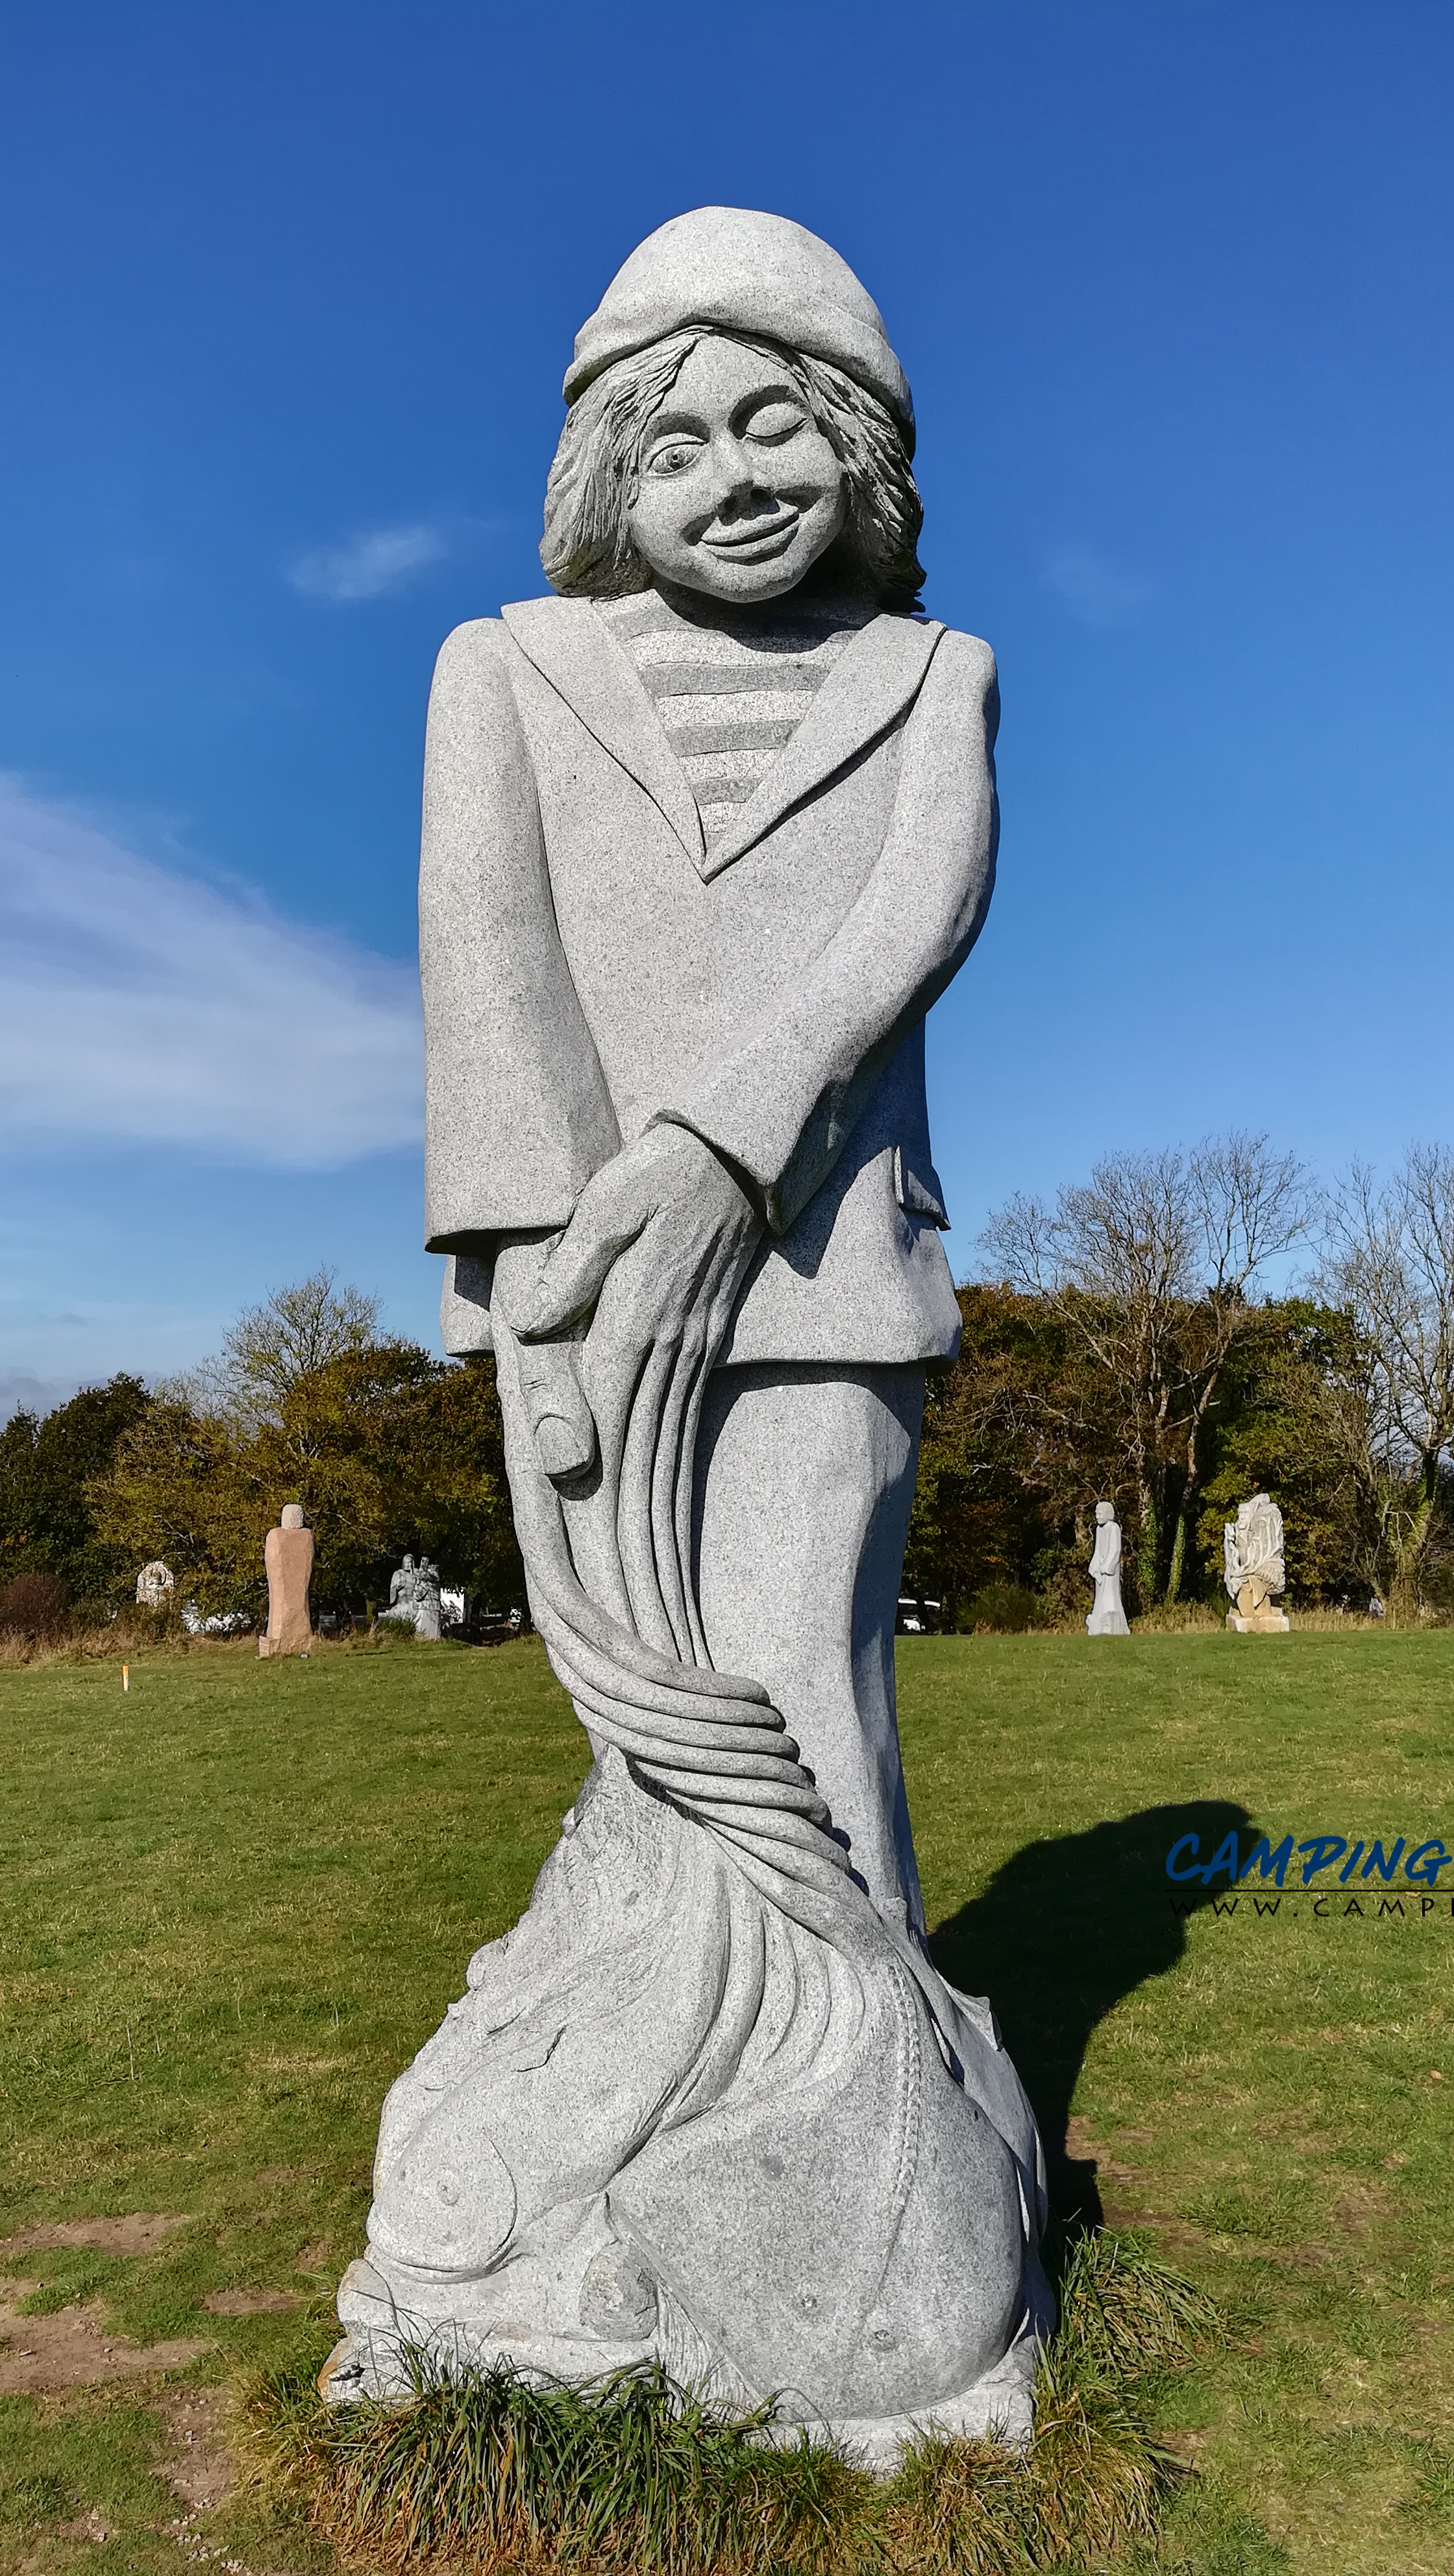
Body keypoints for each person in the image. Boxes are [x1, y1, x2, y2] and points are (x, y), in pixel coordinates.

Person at [426, 206, 999, 1942]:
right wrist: (542, 1245)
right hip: (581, 1271)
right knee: (646, 1705)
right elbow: (485, 957)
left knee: (797, 1660)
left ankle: (861, 2075)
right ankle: (646, 2054)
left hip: (827, 1265)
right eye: (676, 442)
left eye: (777, 426)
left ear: (854, 448)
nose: (736, 476)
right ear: (610, 474)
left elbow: (910, 924)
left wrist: (717, 1158)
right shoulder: (507, 669)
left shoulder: (932, 673)